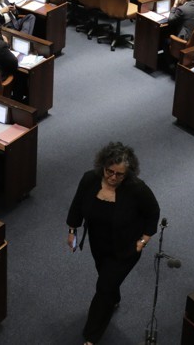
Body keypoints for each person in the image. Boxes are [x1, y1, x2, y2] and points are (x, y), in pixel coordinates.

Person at [66, 142, 159, 345]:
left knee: (103, 287)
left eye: (120, 174)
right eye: (110, 171)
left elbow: (153, 213)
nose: (114, 177)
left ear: (128, 173)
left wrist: (143, 240)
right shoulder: (89, 179)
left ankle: (91, 337)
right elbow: (77, 205)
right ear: (103, 166)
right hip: (98, 244)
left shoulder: (137, 189)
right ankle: (114, 299)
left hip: (126, 250)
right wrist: (73, 230)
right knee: (107, 281)